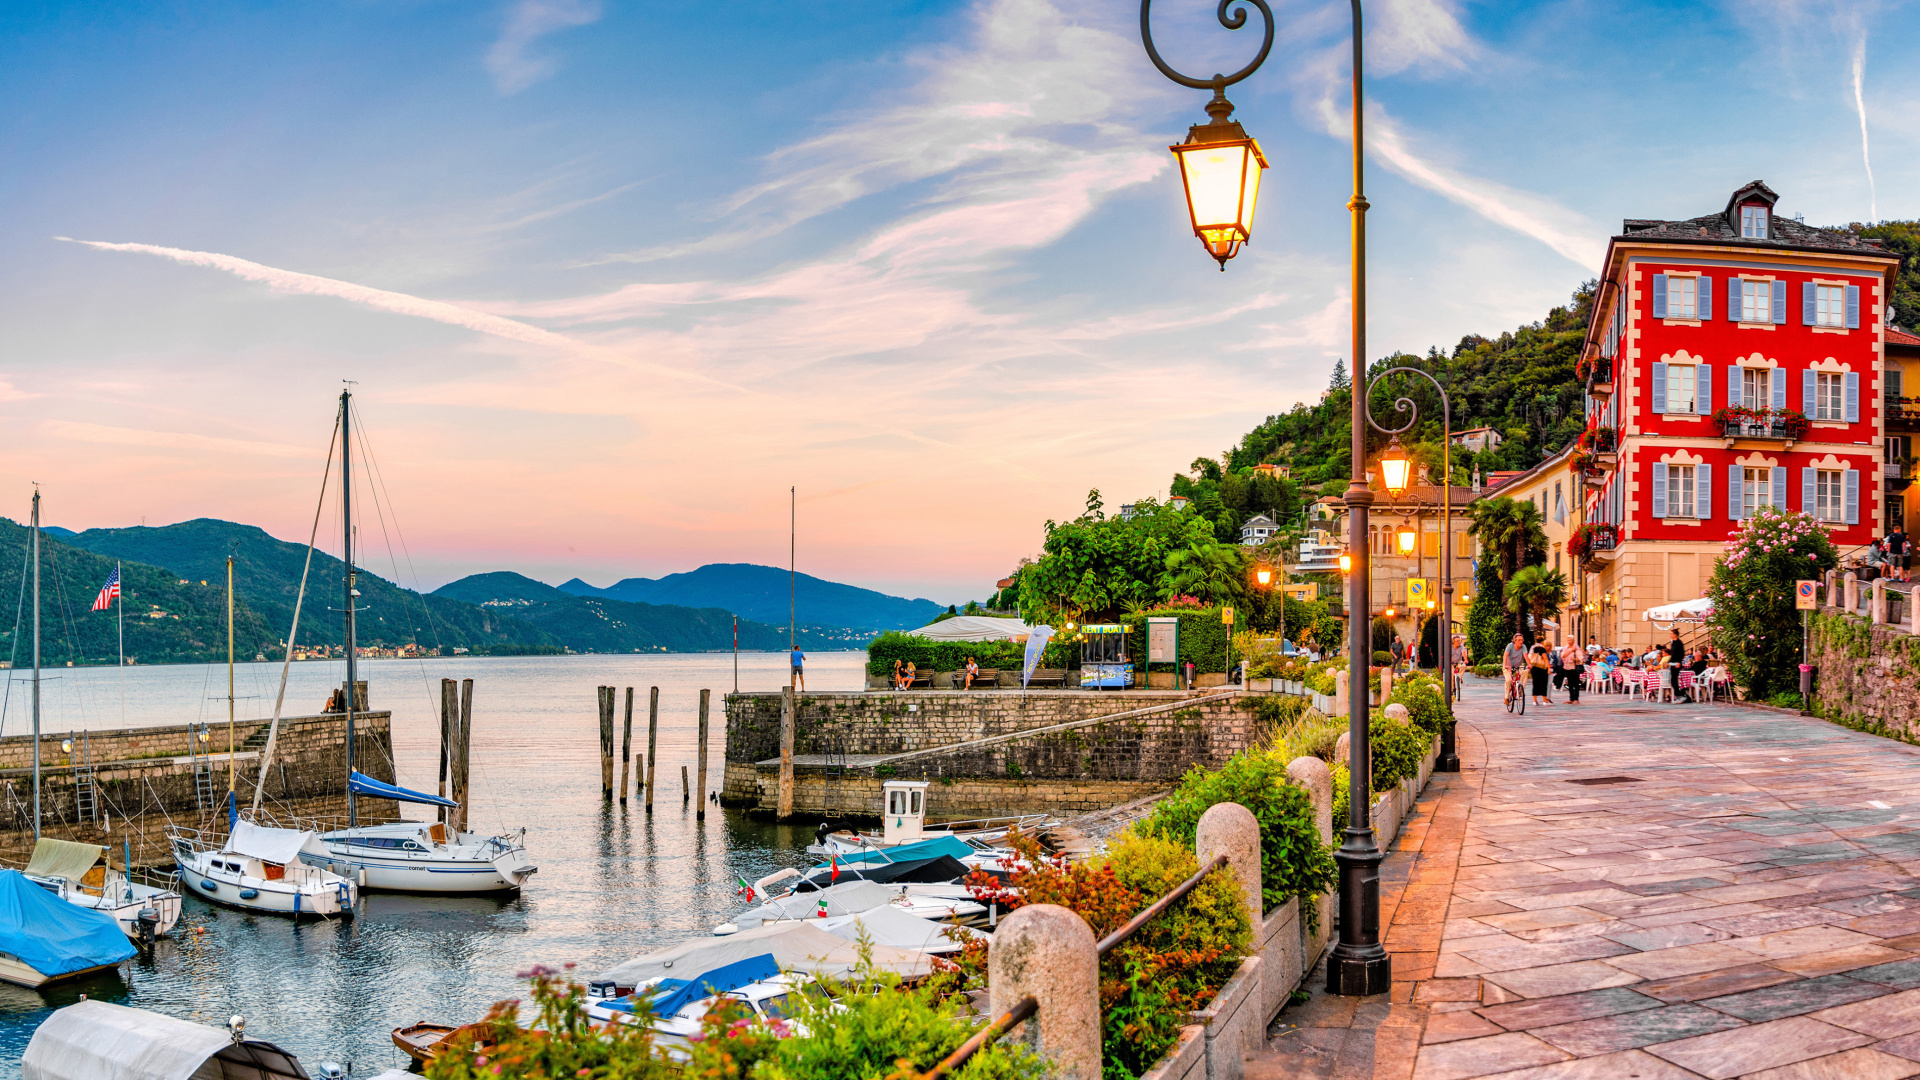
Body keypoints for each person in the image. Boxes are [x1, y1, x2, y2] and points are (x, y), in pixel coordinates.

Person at [1502, 634, 1528, 706]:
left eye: (1522, 640)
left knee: (1525, 672)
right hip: (1508, 666)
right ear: (1515, 641)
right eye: (1519, 640)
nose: (1521, 642)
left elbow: (1526, 656)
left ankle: (1520, 689)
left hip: (1518, 666)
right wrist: (1505, 665)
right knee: (1509, 680)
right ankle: (1506, 697)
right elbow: (1505, 655)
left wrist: (1529, 664)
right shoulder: (1510, 646)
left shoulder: (1523, 647)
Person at [1666, 629, 1688, 703]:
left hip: (1677, 664)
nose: (1670, 635)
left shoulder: (1679, 643)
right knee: (1672, 680)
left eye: (1671, 634)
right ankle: (1678, 695)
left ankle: (1680, 696)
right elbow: (1673, 654)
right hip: (1672, 663)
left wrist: (1679, 662)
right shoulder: (1673, 643)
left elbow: (1681, 654)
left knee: (1674, 680)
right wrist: (1668, 662)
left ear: (1675, 634)